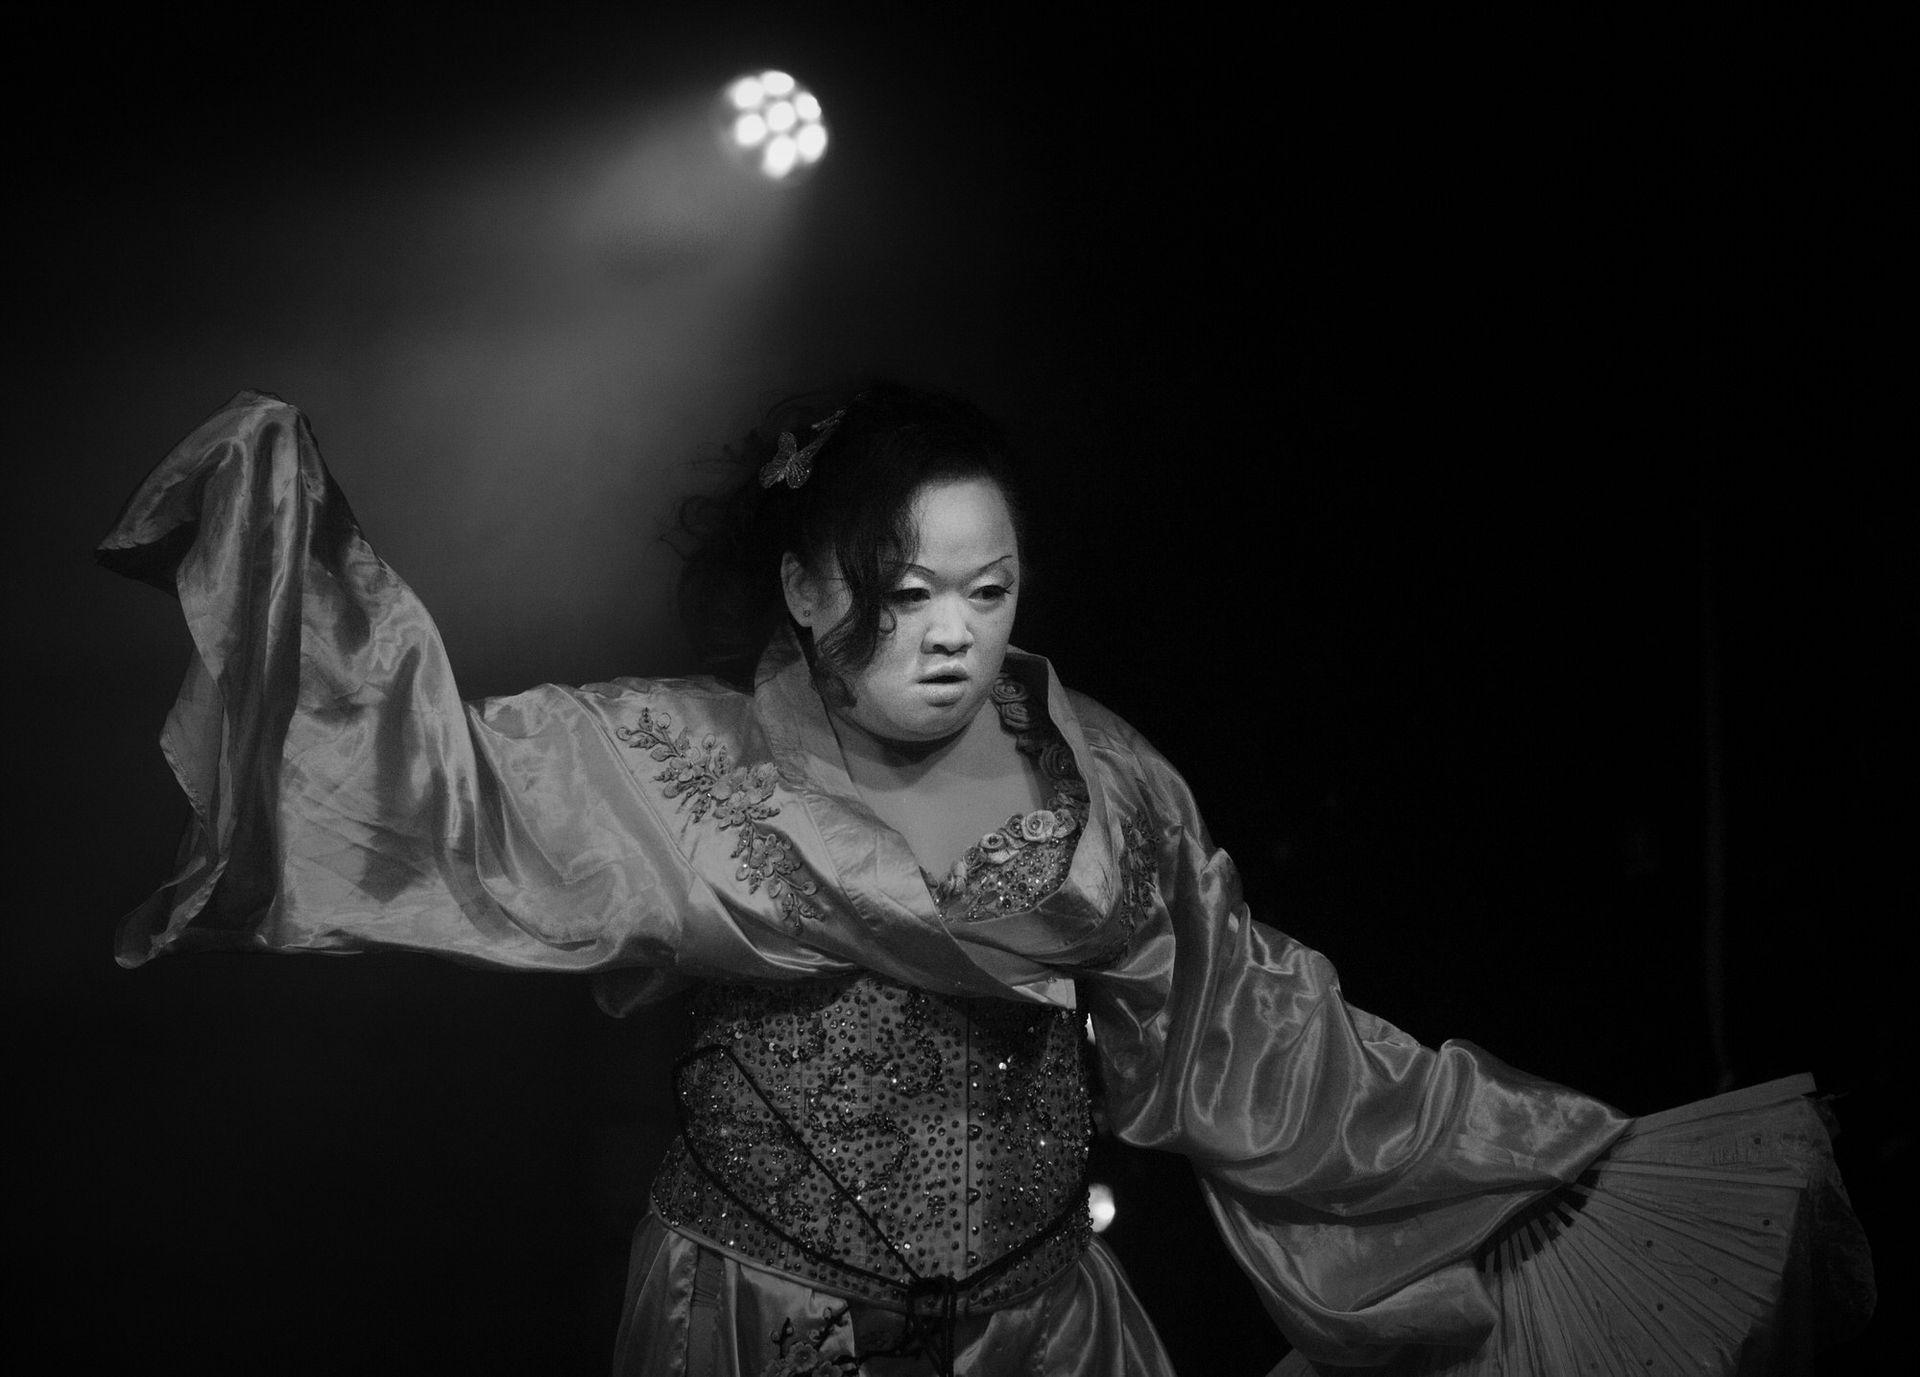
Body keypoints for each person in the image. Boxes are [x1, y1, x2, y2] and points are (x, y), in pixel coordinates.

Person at [100, 384, 1871, 1376]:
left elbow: (1259, 1038)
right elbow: (435, 795)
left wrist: (1534, 1157)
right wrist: (291, 556)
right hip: (759, 1322)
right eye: (907, 591)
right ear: (811, 587)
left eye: (990, 587)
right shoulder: (663, 760)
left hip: (1046, 1331)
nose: (953, 632)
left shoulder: (1111, 789)